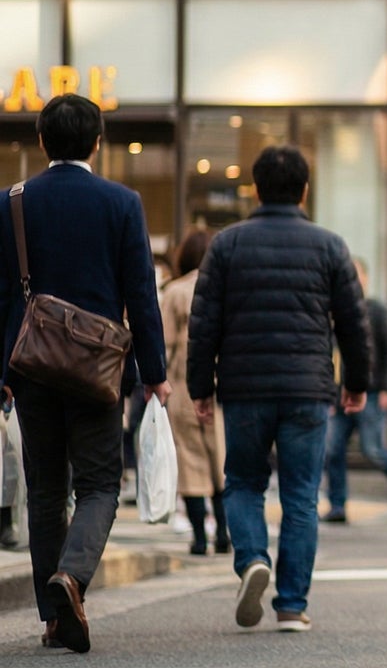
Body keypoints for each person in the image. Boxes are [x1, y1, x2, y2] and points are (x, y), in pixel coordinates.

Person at [0, 95, 169, 653]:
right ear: (98, 142)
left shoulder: (12, 202)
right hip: (99, 371)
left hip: (30, 368)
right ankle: (71, 577)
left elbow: (0, 296)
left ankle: (54, 620)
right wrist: (155, 373)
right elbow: (141, 295)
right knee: (99, 484)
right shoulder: (122, 203)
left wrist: (1, 372)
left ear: (41, 141)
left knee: (46, 490)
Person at [188, 145, 371, 634]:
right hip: (307, 389)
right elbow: (354, 323)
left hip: (244, 387)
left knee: (244, 482)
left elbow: (204, 323)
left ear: (255, 190)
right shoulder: (330, 246)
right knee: (301, 496)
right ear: (305, 191)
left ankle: (252, 558)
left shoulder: (227, 244)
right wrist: (357, 383)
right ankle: (291, 604)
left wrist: (200, 385)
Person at [323, 259, 387, 523]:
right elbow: (330, 355)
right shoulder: (336, 313)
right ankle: (337, 505)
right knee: (332, 449)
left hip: (372, 393)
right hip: (341, 395)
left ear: (366, 278)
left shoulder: (378, 311)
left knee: (373, 450)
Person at [161, 231, 228, 556]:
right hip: (223, 386)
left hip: (184, 385)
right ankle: (225, 534)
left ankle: (200, 538)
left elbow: (165, 344)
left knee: (190, 461)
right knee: (222, 461)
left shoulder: (175, 292)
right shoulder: (225, 287)